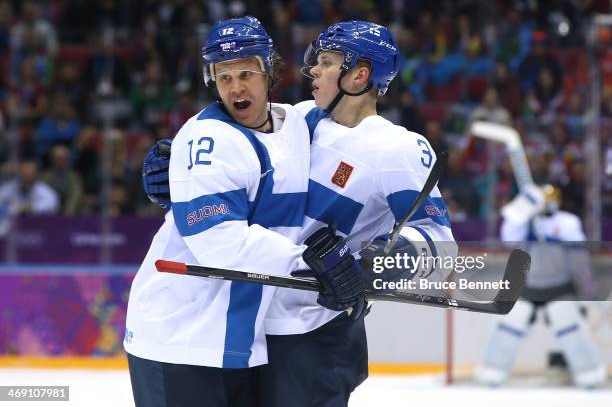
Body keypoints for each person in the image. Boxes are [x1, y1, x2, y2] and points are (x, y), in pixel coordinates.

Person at [143, 20, 457, 406]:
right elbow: (240, 152)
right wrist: (174, 171)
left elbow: (441, 247)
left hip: (318, 329)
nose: (312, 70)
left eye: (326, 62)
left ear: (359, 75)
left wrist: (372, 264)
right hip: (261, 328)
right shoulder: (304, 120)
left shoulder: (399, 149)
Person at [125, 16, 363, 407]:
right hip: (178, 338)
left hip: (239, 342)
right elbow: (219, 242)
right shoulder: (208, 139)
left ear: (269, 70)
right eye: (224, 77)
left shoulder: (297, 123)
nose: (236, 87)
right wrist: (316, 265)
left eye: (247, 73)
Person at [475, 184, 606, 388]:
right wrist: (523, 210)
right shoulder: (524, 222)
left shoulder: (567, 222)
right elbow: (507, 237)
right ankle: (492, 372)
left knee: (570, 328)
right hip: (528, 286)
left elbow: (578, 259)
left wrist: (587, 289)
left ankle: (590, 375)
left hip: (559, 286)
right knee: (509, 326)